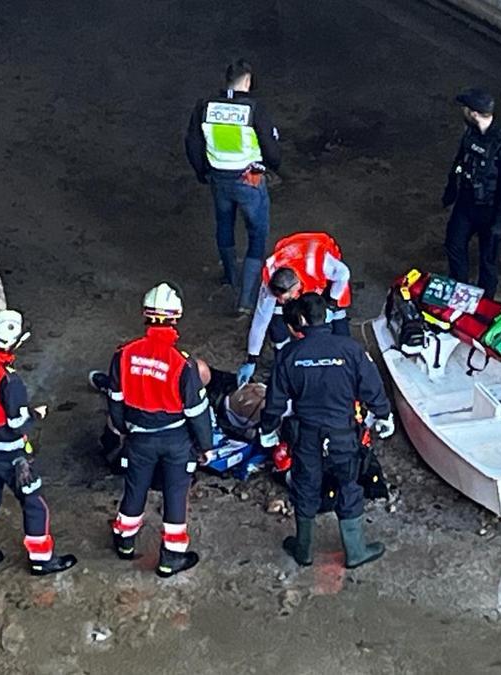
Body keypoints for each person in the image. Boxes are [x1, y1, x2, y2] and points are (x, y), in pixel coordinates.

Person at [258, 293, 396, 569]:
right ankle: (355, 551)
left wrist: (269, 430)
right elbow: (372, 387)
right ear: (326, 317)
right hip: (343, 435)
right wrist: (384, 415)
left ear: (301, 321)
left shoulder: (289, 355)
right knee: (349, 485)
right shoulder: (350, 350)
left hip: (306, 437)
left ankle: (304, 550)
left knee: (306, 487)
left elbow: (275, 401)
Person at [106, 282, 213, 578]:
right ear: (176, 317)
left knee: (135, 488)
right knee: (176, 495)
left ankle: (125, 541)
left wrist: (121, 428)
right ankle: (170, 558)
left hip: (139, 436)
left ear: (145, 315)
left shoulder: (124, 354)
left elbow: (114, 398)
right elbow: (197, 412)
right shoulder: (183, 364)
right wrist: (206, 446)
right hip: (176, 440)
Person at [0, 310, 77, 576]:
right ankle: (41, 558)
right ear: (12, 344)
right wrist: (36, 414)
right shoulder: (10, 381)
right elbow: (16, 424)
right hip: (11, 456)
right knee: (34, 503)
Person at [185, 57, 283, 311]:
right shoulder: (254, 109)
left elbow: (193, 143)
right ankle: (246, 299)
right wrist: (273, 166)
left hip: (219, 178)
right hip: (249, 179)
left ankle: (230, 276)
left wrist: (202, 172)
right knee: (257, 235)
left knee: (224, 225)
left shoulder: (204, 106)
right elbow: (271, 149)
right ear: (248, 82)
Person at [236, 231, 352, 386]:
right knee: (277, 325)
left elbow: (343, 274)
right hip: (295, 264)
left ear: (297, 288)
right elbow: (260, 320)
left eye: (286, 299)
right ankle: (285, 362)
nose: (280, 301)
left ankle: (342, 369)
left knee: (339, 332)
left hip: (329, 281)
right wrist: (251, 359)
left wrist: (331, 304)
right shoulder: (271, 279)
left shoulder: (318, 264)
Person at [442, 87, 501, 299]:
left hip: (490, 210)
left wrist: (500, 221)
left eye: (465, 109)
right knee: (454, 245)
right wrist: (451, 188)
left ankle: (485, 303)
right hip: (466, 204)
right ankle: (459, 293)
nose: (463, 112)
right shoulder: (470, 133)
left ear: (474, 113)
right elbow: (459, 161)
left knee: (488, 260)